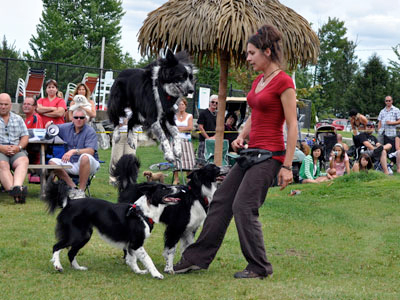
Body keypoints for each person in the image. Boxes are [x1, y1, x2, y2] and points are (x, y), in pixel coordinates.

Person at [173, 24, 298, 279]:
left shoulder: (284, 82)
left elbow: (293, 124)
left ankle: (259, 267)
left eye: (252, 53)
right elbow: (255, 114)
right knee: (220, 200)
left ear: (267, 51)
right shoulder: (259, 81)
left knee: (243, 206)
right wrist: (241, 135)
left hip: (271, 155)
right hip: (250, 153)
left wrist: (286, 166)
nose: (248, 58)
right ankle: (196, 258)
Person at [48, 108, 100, 199]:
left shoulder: (90, 131)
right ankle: (73, 188)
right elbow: (53, 128)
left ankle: (81, 191)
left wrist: (74, 151)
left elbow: (91, 151)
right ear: (72, 118)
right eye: (76, 117)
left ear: (85, 119)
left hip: (90, 164)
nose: (78, 119)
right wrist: (49, 125)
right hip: (72, 162)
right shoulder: (66, 127)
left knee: (85, 157)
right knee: (52, 162)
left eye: (81, 117)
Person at [0, 93, 29, 203]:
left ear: (10, 105)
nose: (3, 106)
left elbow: (25, 136)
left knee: (23, 160)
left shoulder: (18, 119)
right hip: (0, 151)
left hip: (16, 150)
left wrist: (19, 147)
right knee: (2, 164)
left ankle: (16, 188)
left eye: (5, 104)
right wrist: (1, 148)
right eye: (0, 104)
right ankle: (17, 194)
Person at [109, 108, 138, 185]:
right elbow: (114, 120)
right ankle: (114, 179)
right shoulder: (118, 105)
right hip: (119, 133)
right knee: (116, 158)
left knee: (130, 158)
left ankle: (128, 179)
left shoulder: (136, 105)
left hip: (132, 134)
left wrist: (128, 123)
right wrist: (124, 123)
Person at [173, 98, 195, 185]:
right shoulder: (174, 116)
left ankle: (188, 178)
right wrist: (182, 129)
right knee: (175, 158)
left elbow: (190, 127)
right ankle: (176, 178)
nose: (181, 106)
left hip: (187, 140)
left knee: (188, 159)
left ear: (185, 106)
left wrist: (179, 129)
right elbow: (173, 128)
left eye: (183, 104)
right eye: (179, 104)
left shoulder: (189, 116)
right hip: (176, 140)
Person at [197, 94, 218, 159]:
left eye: (216, 103)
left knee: (212, 159)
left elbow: (221, 128)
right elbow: (200, 127)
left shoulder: (219, 115)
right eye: (212, 102)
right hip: (204, 141)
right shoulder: (203, 113)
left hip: (215, 140)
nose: (214, 104)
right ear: (209, 102)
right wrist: (208, 138)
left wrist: (214, 137)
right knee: (202, 160)